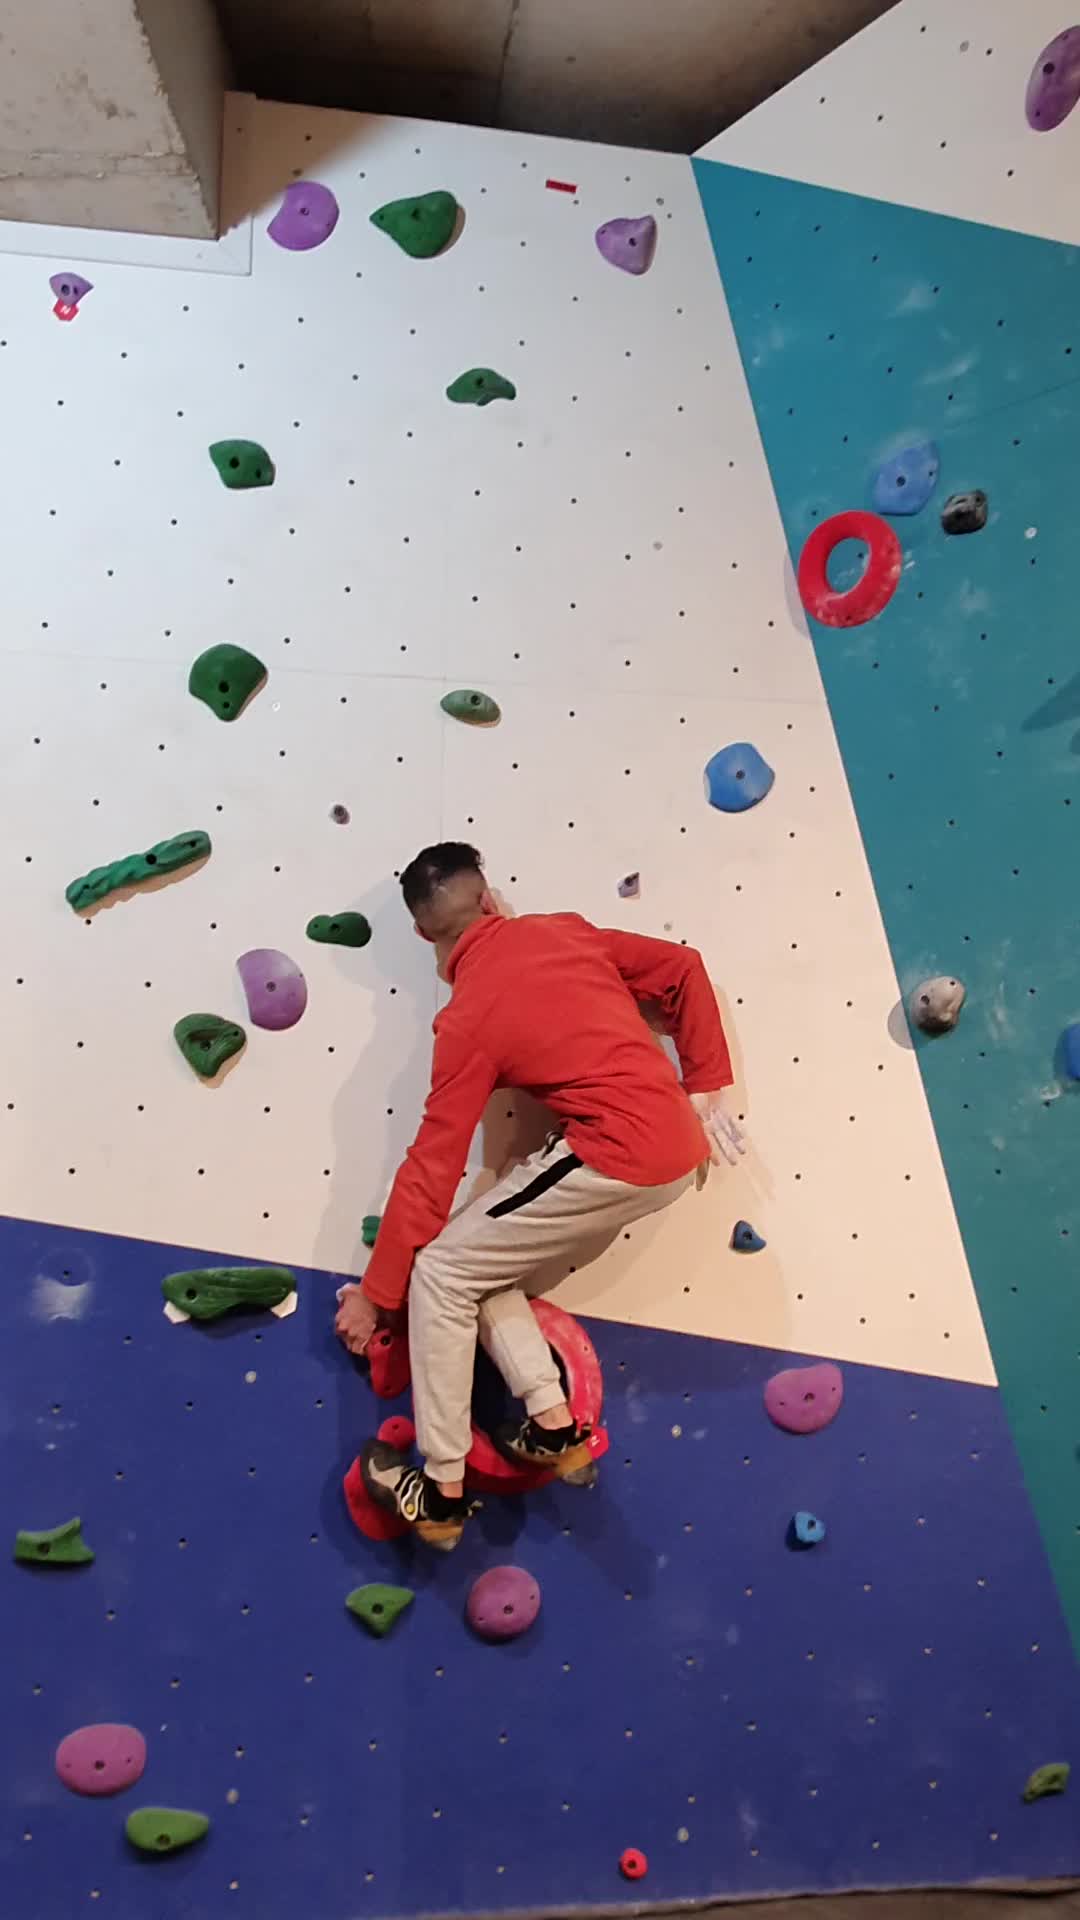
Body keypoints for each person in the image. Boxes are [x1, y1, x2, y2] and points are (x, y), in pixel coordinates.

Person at [335, 842, 743, 1549]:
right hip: (663, 1145)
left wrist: (375, 1297)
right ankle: (552, 1424)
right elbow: (683, 967)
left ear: (424, 934)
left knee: (439, 1271)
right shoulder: (564, 932)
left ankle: (439, 1489)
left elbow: (432, 1168)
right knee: (467, 1261)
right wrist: (705, 1082)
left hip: (617, 1153)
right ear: (489, 899)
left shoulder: (466, 1021)